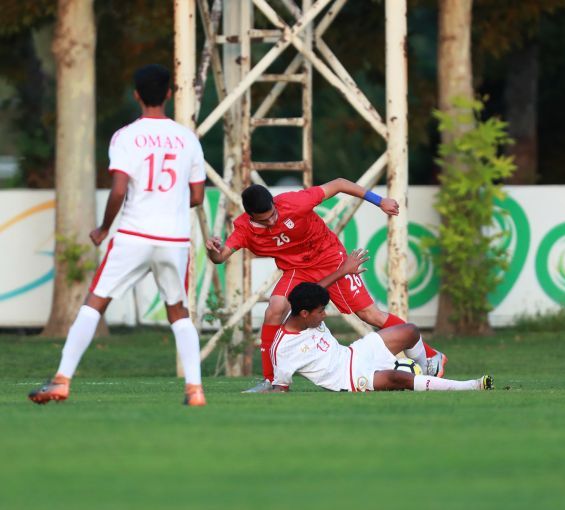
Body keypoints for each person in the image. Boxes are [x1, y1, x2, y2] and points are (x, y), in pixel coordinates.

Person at [29, 64, 208, 406]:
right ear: (169, 93)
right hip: (174, 239)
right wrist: (169, 205)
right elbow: (197, 196)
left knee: (95, 302)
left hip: (134, 234)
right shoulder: (187, 139)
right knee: (178, 311)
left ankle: (62, 380)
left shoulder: (126, 136)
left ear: (137, 95)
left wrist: (103, 228)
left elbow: (119, 190)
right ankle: (195, 389)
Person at [205, 182, 447, 392]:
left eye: (273, 214)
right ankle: (271, 381)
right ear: (250, 216)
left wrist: (379, 200)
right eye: (264, 220)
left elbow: (339, 183)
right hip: (297, 269)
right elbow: (220, 257)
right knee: (274, 309)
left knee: (370, 315)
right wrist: (213, 251)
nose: (271, 221)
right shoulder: (244, 230)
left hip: (330, 258)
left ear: (274, 204)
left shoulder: (294, 203)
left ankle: (430, 356)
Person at [266, 266, 493, 393]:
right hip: (349, 379)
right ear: (304, 313)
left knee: (409, 331)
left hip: (354, 353)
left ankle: (426, 370)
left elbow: (314, 289)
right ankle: (471, 386)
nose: (324, 315)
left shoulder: (303, 309)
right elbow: (280, 388)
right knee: (398, 378)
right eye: (321, 311)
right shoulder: (285, 348)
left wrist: (344, 270)